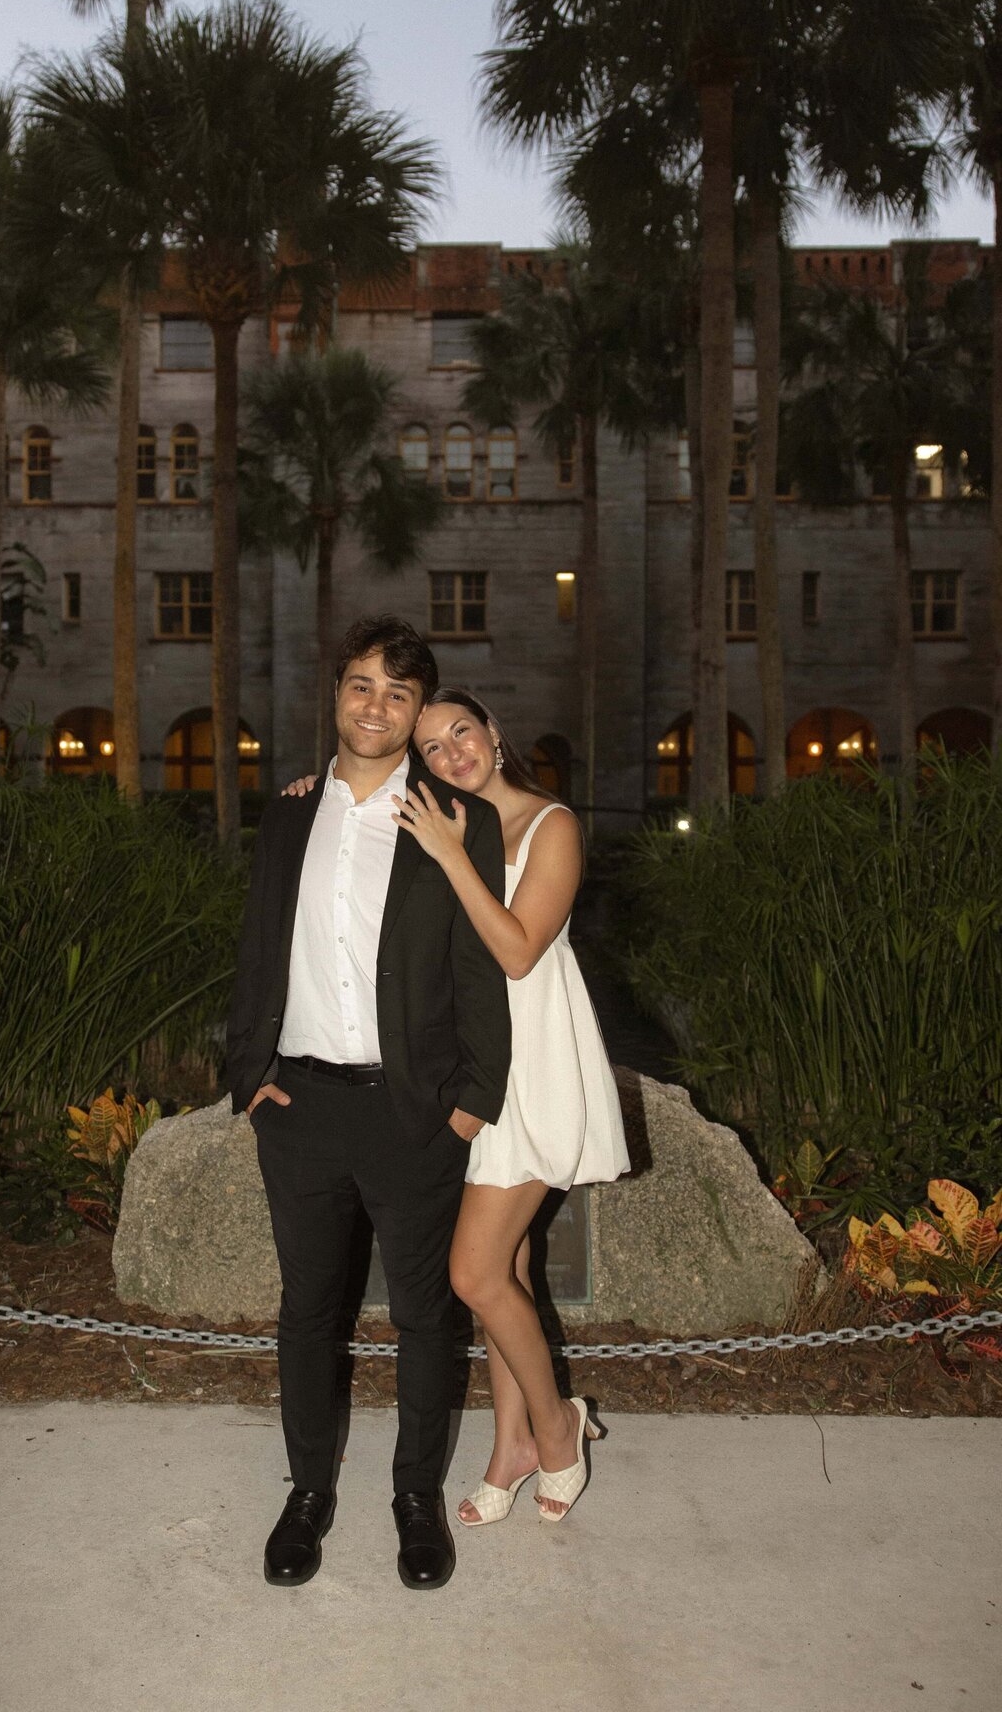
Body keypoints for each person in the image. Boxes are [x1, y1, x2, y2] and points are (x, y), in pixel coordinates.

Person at [285, 686, 629, 1525]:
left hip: (535, 1063)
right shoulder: (440, 822)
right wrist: (314, 791)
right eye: (432, 747)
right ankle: (510, 1445)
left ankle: (556, 1425)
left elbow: (515, 953)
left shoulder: (551, 825)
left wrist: (449, 856)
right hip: (466, 1064)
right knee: (502, 1275)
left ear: (494, 734)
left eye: (461, 734)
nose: (450, 756)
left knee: (472, 1271)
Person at [226, 619, 511, 1592]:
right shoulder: (290, 813)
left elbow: (482, 972)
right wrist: (249, 1074)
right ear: (336, 696)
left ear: (416, 708)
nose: (376, 707)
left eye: (398, 693)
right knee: (309, 1312)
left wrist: (471, 1104)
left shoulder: (450, 817)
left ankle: (415, 1499)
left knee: (425, 1318)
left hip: (411, 1114)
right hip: (298, 1105)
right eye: (360, 687)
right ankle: (308, 1493)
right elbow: (259, 945)